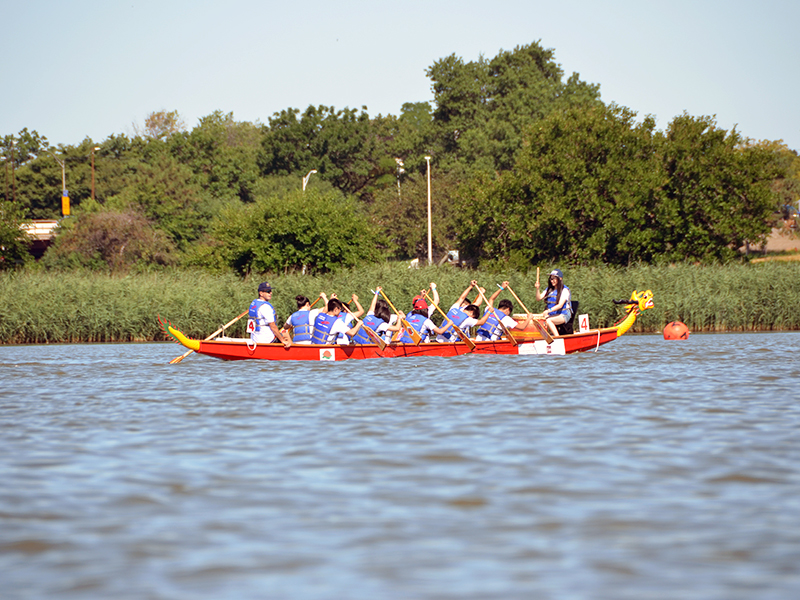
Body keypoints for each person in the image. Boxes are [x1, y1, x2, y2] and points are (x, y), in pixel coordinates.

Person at [247, 282, 291, 348]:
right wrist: (282, 340)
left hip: (255, 339)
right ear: (261, 293)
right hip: (267, 340)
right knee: (286, 335)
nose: (271, 293)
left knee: (283, 333)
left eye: (270, 291)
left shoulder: (254, 303)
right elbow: (272, 326)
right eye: (268, 291)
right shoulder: (265, 307)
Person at [535, 269, 572, 337]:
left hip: (563, 315)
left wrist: (548, 311)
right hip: (552, 314)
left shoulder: (565, 290)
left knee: (548, 321)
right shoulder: (549, 289)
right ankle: (543, 337)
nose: (552, 280)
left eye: (554, 278)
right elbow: (538, 298)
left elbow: (560, 305)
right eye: (551, 278)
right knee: (537, 320)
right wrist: (537, 288)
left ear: (560, 279)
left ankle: (557, 338)